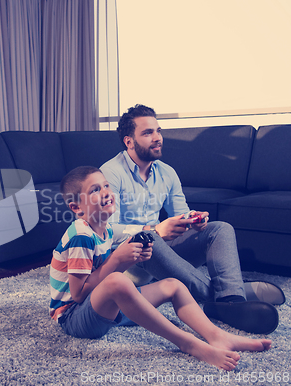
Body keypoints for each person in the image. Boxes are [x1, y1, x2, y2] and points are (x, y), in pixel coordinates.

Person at [49, 166, 272, 371]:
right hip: (75, 318)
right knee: (117, 281)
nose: (106, 191)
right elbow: (78, 295)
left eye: (106, 185)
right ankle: (189, 344)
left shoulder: (105, 229)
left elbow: (139, 231)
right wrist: (118, 260)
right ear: (77, 207)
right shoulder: (81, 236)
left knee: (173, 285)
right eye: (95, 190)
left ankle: (217, 336)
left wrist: (131, 257)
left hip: (105, 311)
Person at [100, 104, 285, 334]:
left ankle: (230, 300)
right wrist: (155, 229)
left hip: (163, 251)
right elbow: (106, 231)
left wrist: (193, 220)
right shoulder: (109, 173)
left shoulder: (166, 172)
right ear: (129, 141)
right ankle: (228, 293)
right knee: (148, 239)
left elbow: (180, 213)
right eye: (148, 133)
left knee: (220, 229)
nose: (157, 138)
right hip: (129, 260)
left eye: (158, 131)